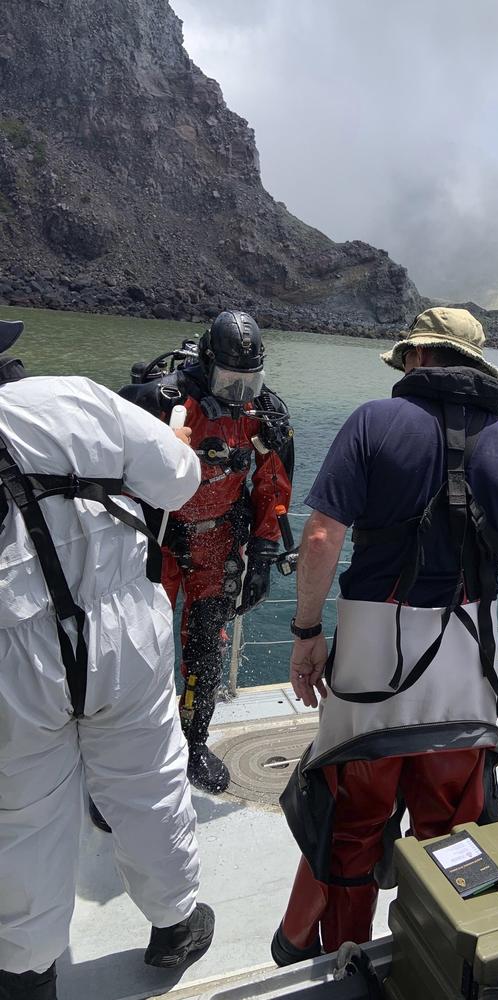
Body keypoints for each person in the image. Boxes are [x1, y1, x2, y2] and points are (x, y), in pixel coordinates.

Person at [273, 307, 498, 964]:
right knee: (454, 829)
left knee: (353, 825)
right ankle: (440, 957)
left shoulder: (373, 422)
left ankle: (346, 957)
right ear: (473, 367)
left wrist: (307, 632)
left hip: (371, 671)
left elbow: (321, 538)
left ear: (420, 358)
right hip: (464, 675)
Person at [0, 320, 214, 1000]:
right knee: (148, 782)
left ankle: (28, 974)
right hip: (125, 630)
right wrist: (173, 441)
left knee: (23, 814)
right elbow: (180, 484)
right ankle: (175, 925)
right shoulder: (80, 398)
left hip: (13, 650)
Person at [119, 310, 294, 794]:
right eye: (229, 381)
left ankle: (194, 742)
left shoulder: (266, 414)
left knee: (204, 653)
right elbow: (113, 476)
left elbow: (271, 486)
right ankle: (127, 758)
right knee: (136, 652)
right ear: (206, 363)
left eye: (249, 381)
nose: (239, 392)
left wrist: (261, 556)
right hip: (155, 546)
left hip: (216, 546)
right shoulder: (161, 401)